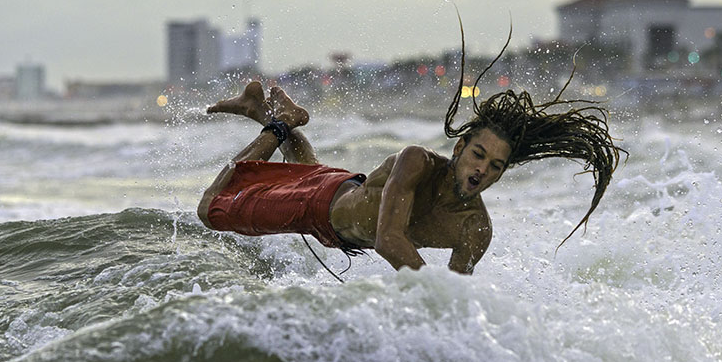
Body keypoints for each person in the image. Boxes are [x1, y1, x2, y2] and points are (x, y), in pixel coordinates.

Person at [196, 70, 622, 275]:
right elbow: (389, 238)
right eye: (477, 155)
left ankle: (265, 108)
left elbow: (455, 290)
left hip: (343, 199)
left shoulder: (475, 229)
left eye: (495, 166)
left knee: (301, 168)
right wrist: (432, 299)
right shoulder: (417, 161)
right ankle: (277, 123)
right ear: (459, 148)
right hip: (319, 206)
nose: (481, 170)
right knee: (212, 208)